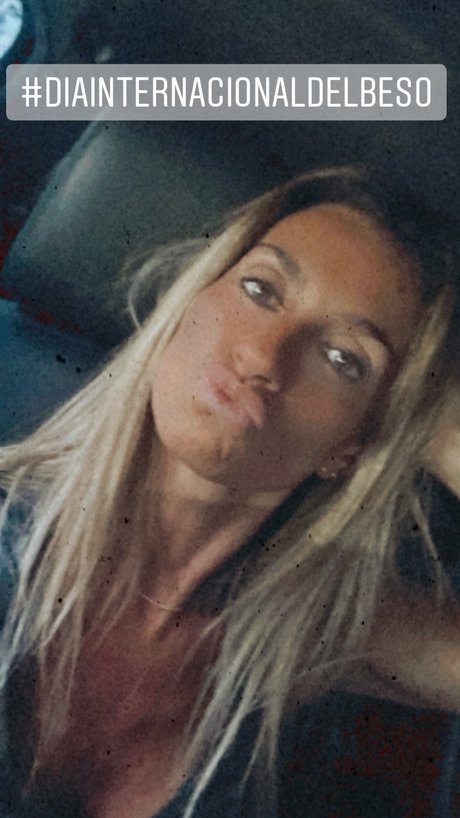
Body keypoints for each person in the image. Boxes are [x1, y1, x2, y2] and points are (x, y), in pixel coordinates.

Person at [0, 164, 459, 818]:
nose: (264, 357)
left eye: (342, 358)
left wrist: (436, 421)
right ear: (190, 298)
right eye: (260, 289)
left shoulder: (314, 633)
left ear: (353, 447)